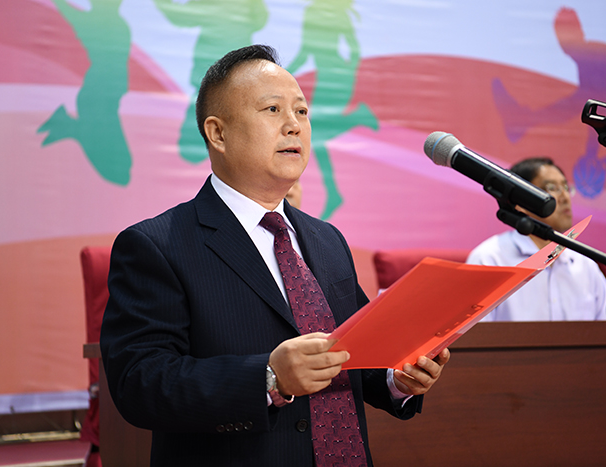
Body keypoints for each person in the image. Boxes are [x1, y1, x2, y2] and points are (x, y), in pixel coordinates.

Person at [100, 44, 450, 467]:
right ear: (218, 133)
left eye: (301, 112)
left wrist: (397, 378)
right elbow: (140, 384)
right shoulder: (157, 245)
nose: (294, 125)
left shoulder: (327, 240)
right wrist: (269, 378)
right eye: (272, 110)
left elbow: (352, 353)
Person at [466, 157, 606, 322]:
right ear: (520, 201)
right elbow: (477, 334)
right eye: (552, 188)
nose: (564, 197)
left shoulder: (585, 266)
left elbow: (604, 332)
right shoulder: (490, 260)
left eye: (565, 187)